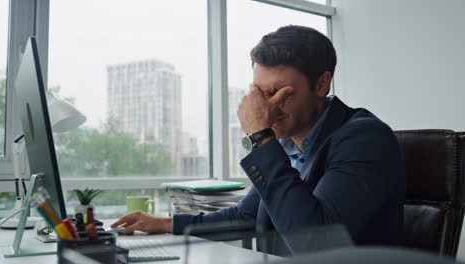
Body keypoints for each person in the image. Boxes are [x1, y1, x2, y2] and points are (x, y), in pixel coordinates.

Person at [111, 25, 406, 256]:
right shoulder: (290, 143)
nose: (268, 108)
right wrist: (164, 224)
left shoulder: (364, 138)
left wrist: (262, 137)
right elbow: (246, 215)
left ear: (321, 84)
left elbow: (317, 244)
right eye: (260, 93)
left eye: (281, 93)